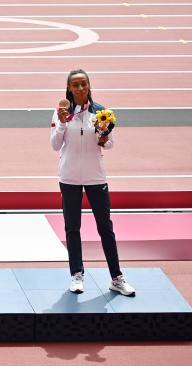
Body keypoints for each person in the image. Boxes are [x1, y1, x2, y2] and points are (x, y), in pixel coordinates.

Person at [50, 69, 135, 296]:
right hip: (69, 178)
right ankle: (77, 275)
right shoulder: (61, 113)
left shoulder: (100, 112)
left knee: (105, 228)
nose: (80, 88)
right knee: (72, 228)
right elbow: (55, 145)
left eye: (83, 84)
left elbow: (108, 145)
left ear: (89, 86)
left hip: (96, 177)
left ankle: (116, 278)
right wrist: (60, 123)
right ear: (69, 88)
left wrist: (105, 138)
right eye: (75, 85)